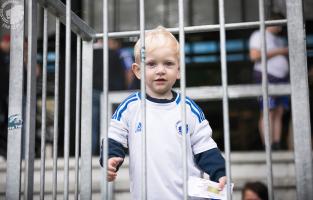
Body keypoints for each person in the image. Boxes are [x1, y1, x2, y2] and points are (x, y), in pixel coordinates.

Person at [100, 26, 226, 199]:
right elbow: (114, 137)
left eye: (168, 63)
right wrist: (110, 158)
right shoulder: (130, 107)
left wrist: (220, 173)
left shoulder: (188, 109)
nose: (160, 70)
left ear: (179, 70)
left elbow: (205, 148)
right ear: (137, 70)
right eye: (151, 64)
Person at [249, 13, 289, 150]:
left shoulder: (278, 39)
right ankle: (268, 144)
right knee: (268, 110)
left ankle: (276, 143)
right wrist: (281, 51)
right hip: (266, 76)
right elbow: (254, 55)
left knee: (279, 111)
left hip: (281, 78)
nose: (280, 28)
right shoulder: (258, 35)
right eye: (279, 24)